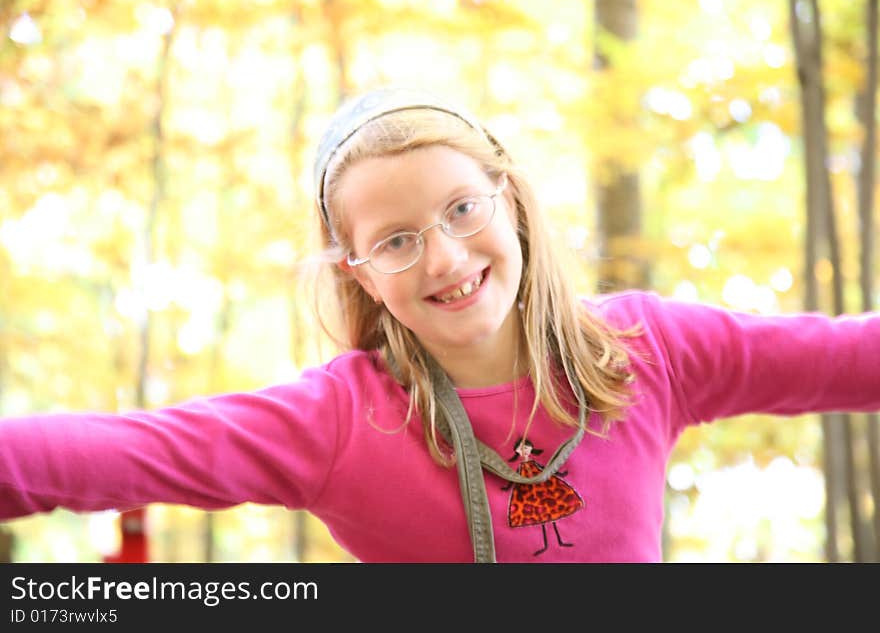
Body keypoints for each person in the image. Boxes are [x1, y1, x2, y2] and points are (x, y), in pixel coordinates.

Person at [1, 87, 878, 562]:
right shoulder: (340, 419)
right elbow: (110, 451)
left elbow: (850, 357)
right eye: (396, 241)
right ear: (361, 277)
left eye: (463, 208)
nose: (447, 258)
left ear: (512, 201)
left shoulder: (650, 352)